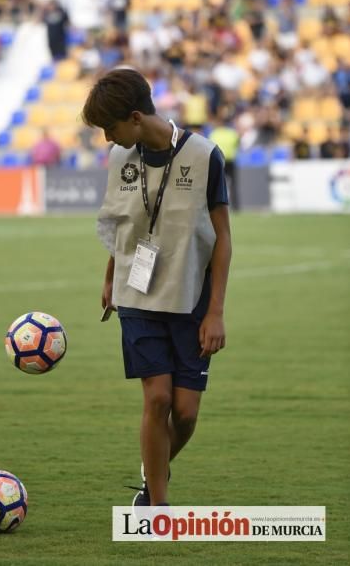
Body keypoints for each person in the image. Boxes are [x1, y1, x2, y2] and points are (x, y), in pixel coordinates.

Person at [82, 68, 232, 507]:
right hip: (136, 294)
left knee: (185, 413)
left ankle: (155, 469)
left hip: (191, 298)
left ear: (133, 117)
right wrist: (111, 276)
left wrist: (216, 311)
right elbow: (122, 223)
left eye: (110, 129)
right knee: (158, 398)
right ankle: (157, 508)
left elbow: (223, 237)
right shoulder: (118, 160)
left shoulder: (205, 156)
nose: (108, 139)